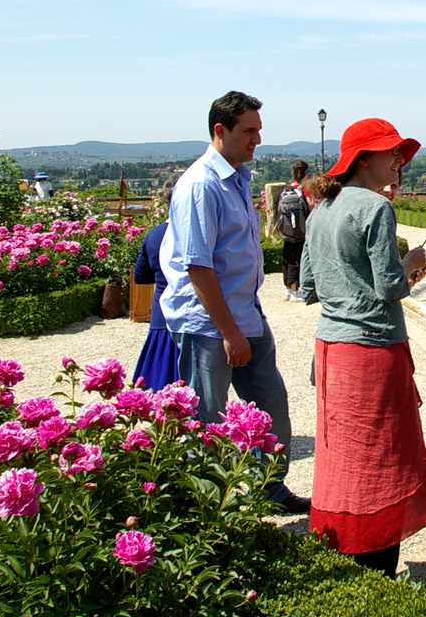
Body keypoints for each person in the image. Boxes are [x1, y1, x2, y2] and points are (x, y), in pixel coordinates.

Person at [298, 118, 426, 578]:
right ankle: (376, 561)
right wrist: (410, 264)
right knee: (381, 458)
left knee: (342, 457)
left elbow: (307, 286)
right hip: (373, 348)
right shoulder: (376, 209)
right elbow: (390, 286)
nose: (400, 161)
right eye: (391, 152)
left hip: (331, 349)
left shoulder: (321, 207)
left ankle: (343, 554)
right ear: (363, 158)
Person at [160, 90, 308, 514]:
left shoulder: (236, 178)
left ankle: (269, 490)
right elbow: (197, 267)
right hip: (209, 323)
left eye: (259, 131)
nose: (257, 139)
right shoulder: (200, 185)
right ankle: (205, 509)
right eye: (249, 131)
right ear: (219, 130)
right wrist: (228, 331)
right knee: (207, 417)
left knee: (271, 403)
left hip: (245, 314)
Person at [131, 179, 179, 392]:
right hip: (191, 316)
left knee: (159, 386)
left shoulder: (155, 235)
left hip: (161, 315)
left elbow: (140, 275)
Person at [278, 160, 311, 302]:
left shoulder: (287, 189)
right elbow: (310, 206)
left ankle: (287, 288)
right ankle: (295, 289)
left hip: (286, 229)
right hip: (300, 229)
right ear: (306, 174)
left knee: (287, 257)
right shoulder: (302, 189)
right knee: (297, 258)